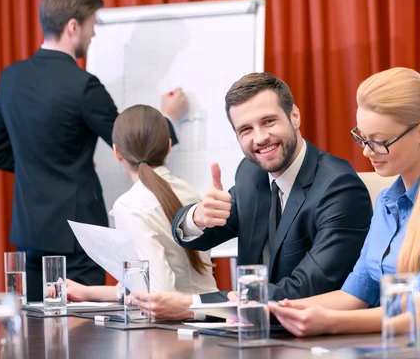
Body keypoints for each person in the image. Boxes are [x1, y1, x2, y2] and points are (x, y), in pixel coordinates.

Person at [0, 0, 188, 302]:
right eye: (92, 25)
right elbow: (139, 147)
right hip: (77, 236)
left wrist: (36, 162)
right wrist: (169, 117)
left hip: (28, 231)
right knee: (81, 335)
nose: (93, 35)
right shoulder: (83, 86)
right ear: (73, 26)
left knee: (34, 333)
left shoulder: (11, 77)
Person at [269, 67, 420, 343]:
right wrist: (274, 310)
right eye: (363, 138)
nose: (367, 152)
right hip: (405, 345)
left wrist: (330, 323)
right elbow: (354, 295)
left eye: (380, 142)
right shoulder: (386, 202)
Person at [132, 72, 373, 321]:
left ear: (295, 116)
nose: (259, 138)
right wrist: (199, 216)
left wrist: (194, 305)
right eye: (246, 129)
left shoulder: (339, 187)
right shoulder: (251, 172)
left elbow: (305, 290)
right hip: (256, 332)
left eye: (268, 121)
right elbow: (193, 237)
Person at [66, 105, 218, 301]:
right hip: (211, 314)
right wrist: (88, 293)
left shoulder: (129, 206)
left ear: (117, 152)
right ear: (169, 146)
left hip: (173, 325)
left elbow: (158, 294)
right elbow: (151, 288)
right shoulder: (190, 192)